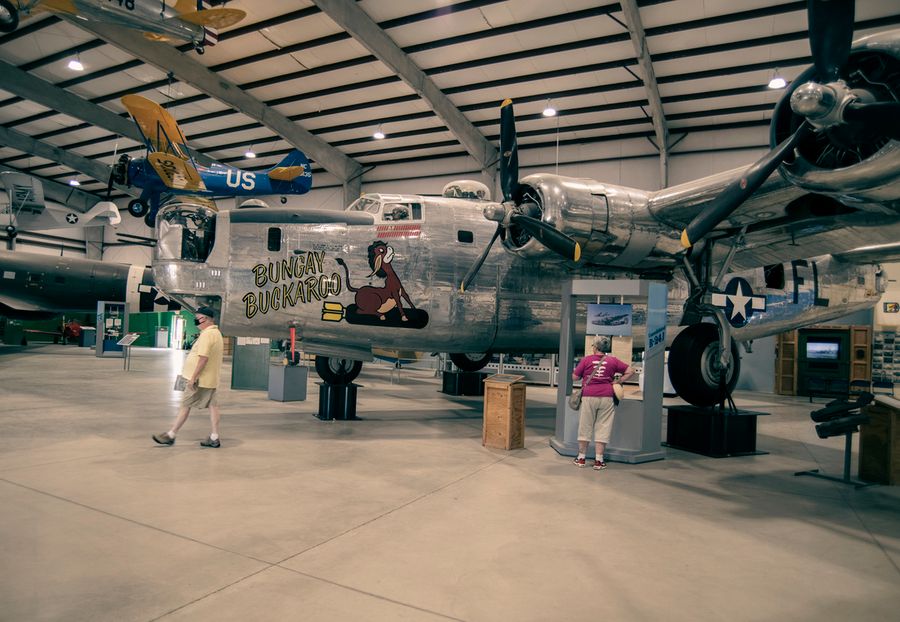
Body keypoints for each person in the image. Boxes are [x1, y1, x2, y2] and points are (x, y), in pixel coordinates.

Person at [153, 306, 225, 448]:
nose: (196, 321)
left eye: (197, 318)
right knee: (213, 406)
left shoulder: (207, 335)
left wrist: (193, 378)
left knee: (185, 406)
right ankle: (214, 437)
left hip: (199, 380)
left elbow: (203, 358)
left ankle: (171, 435)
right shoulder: (216, 333)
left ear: (204, 319)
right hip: (210, 380)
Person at [571, 336, 635, 470]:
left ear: (595, 347)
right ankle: (599, 461)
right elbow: (630, 371)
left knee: (585, 426)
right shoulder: (613, 360)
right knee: (603, 427)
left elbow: (575, 377)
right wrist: (618, 381)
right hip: (607, 396)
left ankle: (581, 458)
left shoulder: (586, 360)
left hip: (589, 396)